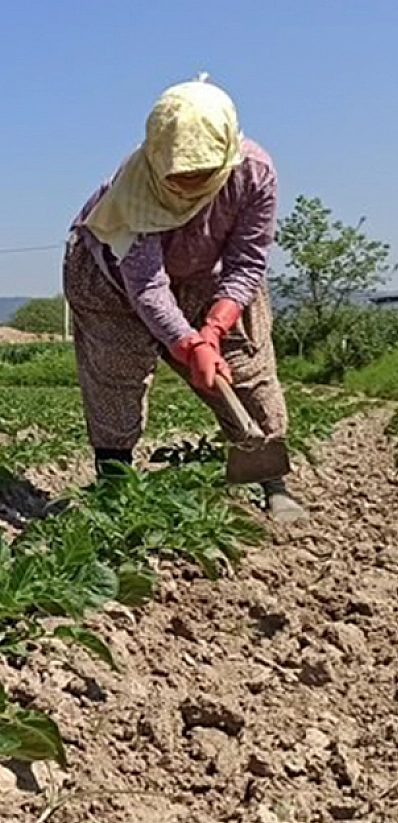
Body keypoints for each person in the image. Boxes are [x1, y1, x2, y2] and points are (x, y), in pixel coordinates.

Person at [65, 77, 305, 522]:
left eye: (201, 174)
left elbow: (248, 263)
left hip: (206, 275)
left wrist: (212, 331)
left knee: (246, 367)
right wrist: (188, 343)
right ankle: (115, 494)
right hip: (115, 282)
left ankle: (272, 484)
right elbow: (148, 286)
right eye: (178, 176)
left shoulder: (254, 173)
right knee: (117, 373)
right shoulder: (134, 188)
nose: (188, 185)